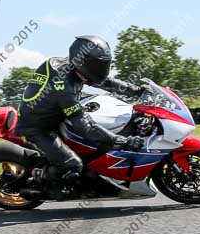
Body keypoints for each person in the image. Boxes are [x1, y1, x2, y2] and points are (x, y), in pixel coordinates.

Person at [15, 35, 145, 195]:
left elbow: (107, 82)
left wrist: (137, 91)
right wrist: (121, 142)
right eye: (98, 65)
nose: (102, 68)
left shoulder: (76, 69)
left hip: (56, 113)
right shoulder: (64, 87)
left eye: (104, 64)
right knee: (73, 164)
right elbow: (85, 126)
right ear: (83, 62)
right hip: (37, 127)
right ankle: (46, 183)